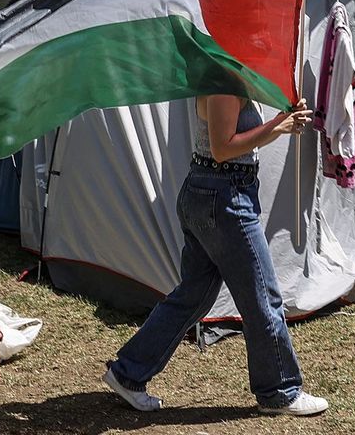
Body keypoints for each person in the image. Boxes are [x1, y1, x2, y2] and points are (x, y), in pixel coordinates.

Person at [103, 93, 329, 416]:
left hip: (210, 191)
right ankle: (279, 391)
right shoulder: (224, 76)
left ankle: (128, 372)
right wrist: (278, 126)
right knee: (262, 297)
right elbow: (223, 148)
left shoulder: (227, 69)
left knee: (192, 297)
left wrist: (283, 116)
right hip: (225, 197)